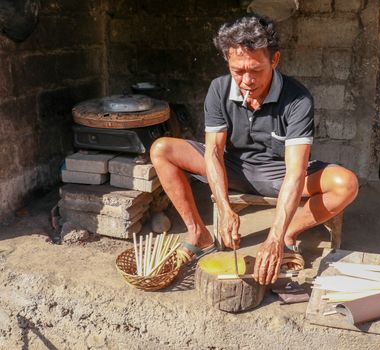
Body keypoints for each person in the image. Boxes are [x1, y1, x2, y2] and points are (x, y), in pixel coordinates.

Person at [150, 14, 358, 285]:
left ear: (274, 60)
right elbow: (213, 153)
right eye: (238, 71)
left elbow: (295, 172)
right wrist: (224, 207)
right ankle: (198, 234)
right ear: (228, 61)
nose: (247, 80)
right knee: (162, 149)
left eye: (256, 69)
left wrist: (273, 236)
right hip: (232, 167)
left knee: (346, 184)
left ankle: (287, 235)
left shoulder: (298, 98)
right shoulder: (219, 89)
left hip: (279, 174)